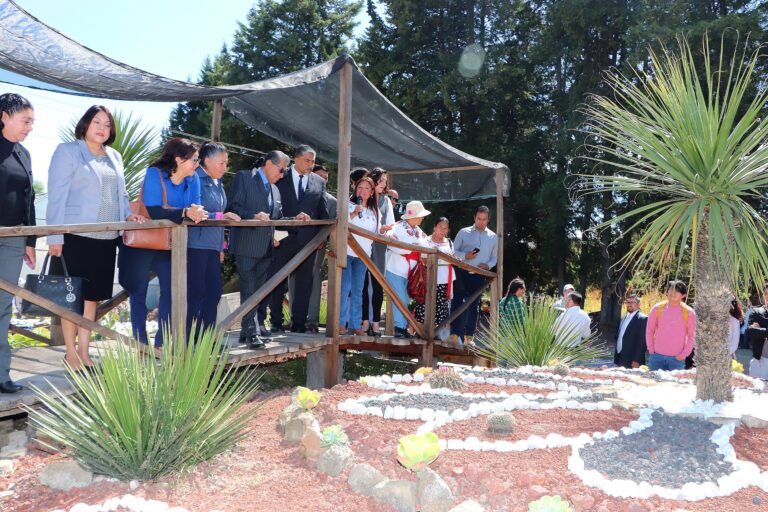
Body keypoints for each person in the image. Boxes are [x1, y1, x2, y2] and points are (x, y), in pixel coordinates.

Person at [47, 105, 145, 370]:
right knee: (72, 297)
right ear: (85, 125)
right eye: (97, 122)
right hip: (75, 236)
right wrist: (54, 236)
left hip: (106, 237)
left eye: (107, 124)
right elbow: (57, 195)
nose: (102, 128)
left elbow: (122, 195)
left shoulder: (115, 155)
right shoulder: (68, 151)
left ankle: (84, 350)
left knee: (93, 297)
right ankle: (70, 353)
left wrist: (128, 216)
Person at [121, 138, 207, 352]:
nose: (197, 164)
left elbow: (195, 209)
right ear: (178, 159)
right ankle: (140, 343)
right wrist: (186, 212)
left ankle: (160, 343)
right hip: (142, 240)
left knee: (171, 291)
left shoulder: (193, 178)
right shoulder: (154, 173)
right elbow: (154, 210)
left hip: (170, 243)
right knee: (138, 291)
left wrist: (195, 212)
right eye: (194, 160)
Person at [227, 151, 287, 348]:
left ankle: (246, 331)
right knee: (249, 289)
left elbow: (276, 218)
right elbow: (233, 208)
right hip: (246, 244)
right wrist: (253, 215)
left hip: (266, 248)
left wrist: (296, 217)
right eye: (281, 169)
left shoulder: (276, 190)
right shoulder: (244, 177)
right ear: (269, 163)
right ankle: (252, 332)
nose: (283, 174)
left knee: (258, 292)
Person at [267, 145, 326, 333]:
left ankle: (298, 324)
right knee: (277, 280)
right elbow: (271, 208)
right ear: (296, 159)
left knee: (304, 283)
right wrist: (272, 233)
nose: (311, 164)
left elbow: (322, 210)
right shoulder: (280, 177)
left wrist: (322, 235)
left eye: (313, 161)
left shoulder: (319, 181)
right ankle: (276, 322)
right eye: (307, 160)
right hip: (282, 238)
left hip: (308, 241)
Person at [0, 93, 36, 393]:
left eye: (32, 122)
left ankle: (1, 374)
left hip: (13, 238)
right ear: (4, 116)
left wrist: (30, 240)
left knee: (3, 307)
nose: (30, 127)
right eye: (26, 120)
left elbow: (29, 199)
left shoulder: (23, 154)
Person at [186, 142, 240, 339]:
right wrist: (222, 216)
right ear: (206, 161)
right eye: (222, 163)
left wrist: (221, 246)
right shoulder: (194, 179)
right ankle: (188, 340)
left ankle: (206, 340)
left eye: (226, 163)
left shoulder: (218, 182)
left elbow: (219, 216)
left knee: (214, 293)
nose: (225, 168)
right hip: (196, 245)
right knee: (196, 295)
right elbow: (195, 211)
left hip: (212, 246)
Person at [449, 205, 498, 345]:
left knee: (474, 305)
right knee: (457, 302)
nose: (481, 222)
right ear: (474, 217)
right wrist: (466, 256)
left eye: (484, 219)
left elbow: (494, 258)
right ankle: (453, 335)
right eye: (478, 219)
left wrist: (487, 265)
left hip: (479, 275)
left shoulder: (494, 237)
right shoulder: (463, 232)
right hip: (461, 272)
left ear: (488, 219)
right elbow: (453, 252)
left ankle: (469, 338)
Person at [340, 176, 380, 335]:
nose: (362, 191)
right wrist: (354, 214)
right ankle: (340, 323)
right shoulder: (348, 206)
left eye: (366, 188)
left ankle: (356, 324)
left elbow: (376, 233)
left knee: (358, 291)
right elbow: (340, 224)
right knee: (345, 288)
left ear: (371, 193)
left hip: (363, 256)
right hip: (347, 253)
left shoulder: (373, 212)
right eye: (360, 187)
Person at [385, 200, 430, 338]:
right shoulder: (396, 227)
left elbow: (426, 248)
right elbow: (390, 242)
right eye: (421, 215)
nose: (423, 218)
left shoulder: (419, 232)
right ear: (413, 215)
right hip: (396, 268)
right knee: (401, 298)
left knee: (406, 299)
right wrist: (410, 250)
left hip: (412, 272)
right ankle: (399, 327)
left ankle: (402, 327)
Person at [361, 167, 396, 336]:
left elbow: (391, 226)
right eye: (381, 180)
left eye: (385, 181)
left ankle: (375, 323)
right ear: (373, 180)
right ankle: (364, 322)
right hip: (362, 245)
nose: (384, 184)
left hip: (379, 247)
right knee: (362, 285)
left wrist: (384, 231)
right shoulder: (363, 198)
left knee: (377, 285)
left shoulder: (386, 201)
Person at [306, 164, 337, 333]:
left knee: (314, 278)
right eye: (320, 177)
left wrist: (321, 238)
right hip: (297, 244)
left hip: (318, 247)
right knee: (294, 278)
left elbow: (331, 226)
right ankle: (298, 318)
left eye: (325, 178)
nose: (323, 180)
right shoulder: (302, 194)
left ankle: (312, 320)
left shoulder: (333, 202)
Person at [414, 217, 454, 335]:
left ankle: (434, 333)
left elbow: (453, 258)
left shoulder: (449, 242)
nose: (443, 230)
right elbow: (422, 258)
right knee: (424, 305)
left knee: (440, 306)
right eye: (440, 227)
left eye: (445, 228)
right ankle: (420, 332)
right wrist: (437, 256)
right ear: (434, 227)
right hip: (428, 278)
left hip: (444, 279)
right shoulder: (426, 241)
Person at [646, 280, 696, 371]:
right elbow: (649, 330)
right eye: (670, 290)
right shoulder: (657, 309)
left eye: (677, 291)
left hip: (676, 359)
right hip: (656, 357)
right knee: (653, 384)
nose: (672, 293)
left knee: (674, 385)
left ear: (683, 295)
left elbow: (692, 336)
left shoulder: (689, 312)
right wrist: (651, 349)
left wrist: (683, 355)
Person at [614, 294, 648, 368]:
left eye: (632, 302)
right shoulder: (623, 317)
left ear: (639, 304)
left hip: (633, 361)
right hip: (620, 357)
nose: (629, 304)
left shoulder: (643, 319)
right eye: (628, 302)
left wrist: (636, 360)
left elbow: (642, 342)